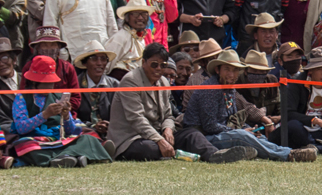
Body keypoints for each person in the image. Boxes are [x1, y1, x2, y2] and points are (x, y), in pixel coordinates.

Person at [108, 43, 253, 163]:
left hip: (158, 134)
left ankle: (216, 155)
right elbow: (136, 119)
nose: (158, 69)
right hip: (131, 138)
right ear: (143, 62)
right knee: (151, 148)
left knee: (192, 134)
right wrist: (159, 139)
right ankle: (174, 152)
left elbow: (167, 115)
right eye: (154, 64)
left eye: (162, 65)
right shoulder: (131, 80)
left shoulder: (163, 82)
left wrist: (168, 129)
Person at [183, 49, 316, 162]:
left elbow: (233, 118)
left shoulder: (229, 89)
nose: (231, 74)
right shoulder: (210, 90)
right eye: (227, 69)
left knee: (257, 135)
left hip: (222, 133)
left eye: (235, 70)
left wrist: (248, 128)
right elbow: (209, 126)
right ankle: (289, 155)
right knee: (243, 136)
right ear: (218, 70)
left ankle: (284, 151)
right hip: (203, 138)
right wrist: (240, 131)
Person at [9, 56, 112, 168]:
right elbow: (21, 128)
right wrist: (45, 115)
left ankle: (64, 158)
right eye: (46, 82)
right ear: (34, 82)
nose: (50, 86)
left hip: (59, 137)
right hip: (36, 140)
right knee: (24, 145)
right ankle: (76, 155)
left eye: (51, 82)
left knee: (87, 137)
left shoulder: (58, 96)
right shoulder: (21, 98)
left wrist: (66, 116)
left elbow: (70, 131)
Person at [20, 26, 81, 114]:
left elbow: (76, 97)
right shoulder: (28, 67)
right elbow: (23, 95)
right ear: (38, 48)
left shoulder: (68, 68)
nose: (49, 49)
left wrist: (62, 107)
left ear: (59, 47)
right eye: (44, 45)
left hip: (64, 115)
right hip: (34, 114)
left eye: (53, 44)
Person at [74, 40, 119, 145]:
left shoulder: (115, 85)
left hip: (111, 131)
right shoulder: (76, 85)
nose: (99, 63)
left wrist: (110, 125)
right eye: (94, 59)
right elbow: (72, 116)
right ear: (85, 63)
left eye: (103, 59)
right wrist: (91, 126)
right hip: (84, 131)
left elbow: (121, 114)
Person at [104, 0, 156, 79]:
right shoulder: (120, 37)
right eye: (135, 14)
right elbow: (106, 65)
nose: (140, 18)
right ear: (127, 17)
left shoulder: (141, 39)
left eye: (143, 14)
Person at [237, 50, 281, 118]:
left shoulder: (272, 81)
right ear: (245, 71)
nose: (258, 74)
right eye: (254, 70)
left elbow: (280, 107)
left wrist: (278, 118)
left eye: (262, 71)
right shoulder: (237, 82)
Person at [170, 51, 192, 115]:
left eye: (188, 69)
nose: (184, 73)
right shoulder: (166, 87)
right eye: (180, 68)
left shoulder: (193, 87)